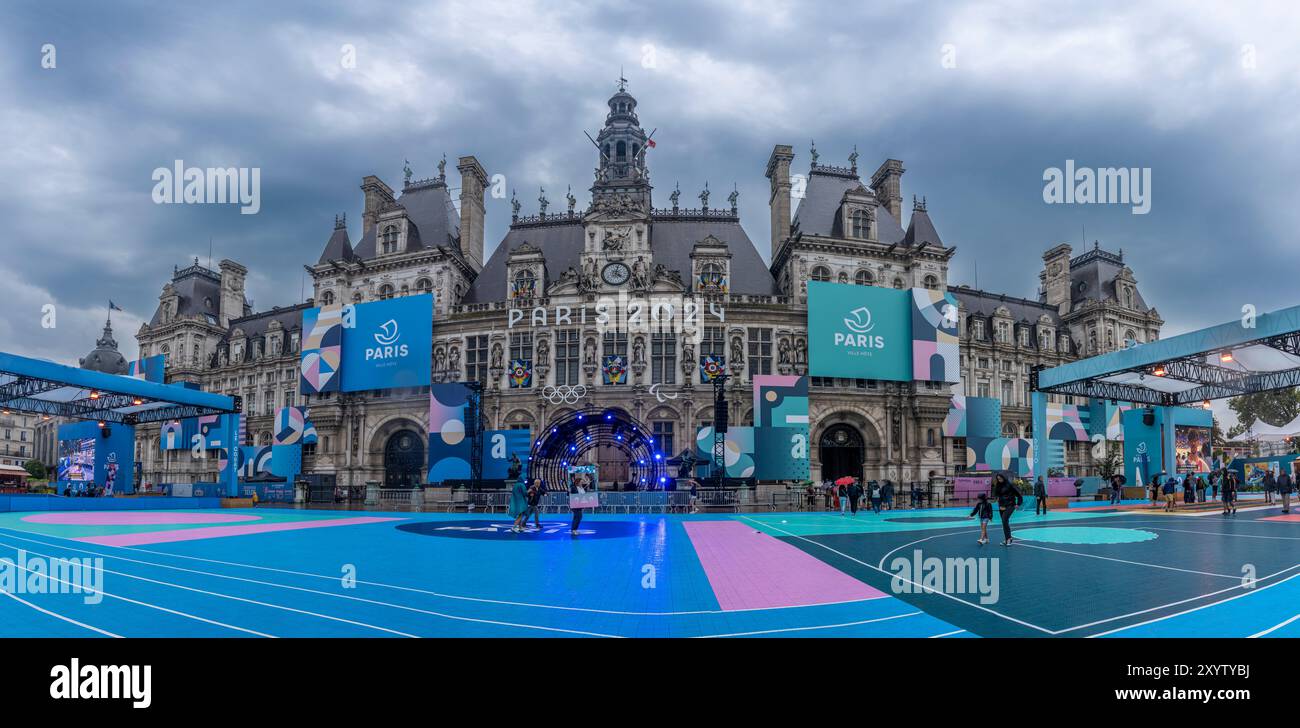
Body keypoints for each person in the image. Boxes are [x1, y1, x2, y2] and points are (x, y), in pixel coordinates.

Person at [991, 473, 1023, 545]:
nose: (999, 480)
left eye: (1000, 478)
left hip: (1010, 505)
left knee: (1004, 520)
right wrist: (996, 500)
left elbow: (1019, 494)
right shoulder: (998, 486)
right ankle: (1007, 539)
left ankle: (1008, 539)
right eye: (998, 479)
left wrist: (1018, 504)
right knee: (1004, 522)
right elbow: (997, 496)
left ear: (1004, 477)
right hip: (1001, 506)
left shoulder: (1010, 485)